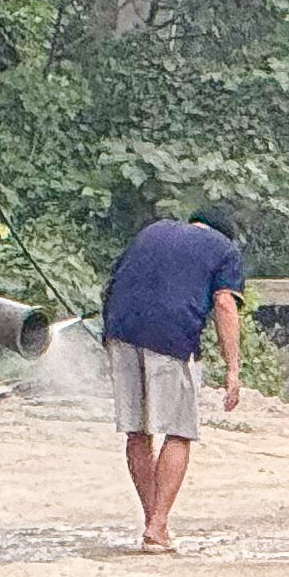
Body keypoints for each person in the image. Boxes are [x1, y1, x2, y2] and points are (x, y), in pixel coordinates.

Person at [99, 206, 244, 552]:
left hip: (121, 330)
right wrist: (232, 369)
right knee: (179, 430)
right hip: (171, 336)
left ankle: (153, 523)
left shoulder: (152, 231)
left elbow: (112, 282)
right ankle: (158, 526)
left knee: (137, 431)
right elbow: (224, 304)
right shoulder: (224, 249)